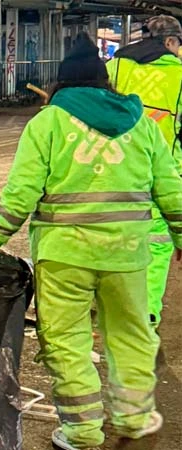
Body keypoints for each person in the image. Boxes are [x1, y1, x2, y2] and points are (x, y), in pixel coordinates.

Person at [0, 34, 182, 450]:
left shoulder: (48, 122)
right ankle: (133, 420)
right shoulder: (142, 124)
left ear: (61, 83)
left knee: (68, 343)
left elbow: (21, 193)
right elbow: (171, 190)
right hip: (128, 256)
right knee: (132, 336)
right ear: (106, 83)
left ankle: (82, 433)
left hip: (65, 256)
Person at [106, 15, 182, 326]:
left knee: (114, 239)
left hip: (114, 168)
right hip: (163, 173)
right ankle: (146, 311)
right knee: (158, 245)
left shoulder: (116, 67)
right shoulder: (179, 74)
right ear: (168, 42)